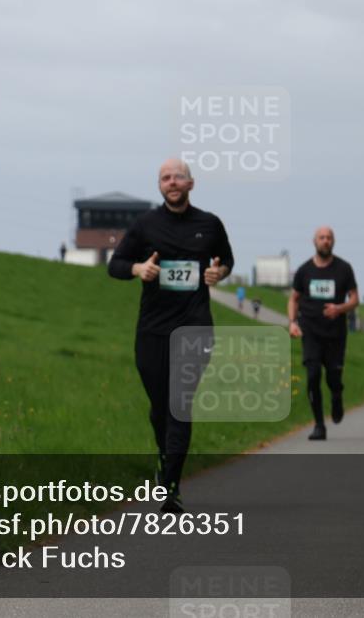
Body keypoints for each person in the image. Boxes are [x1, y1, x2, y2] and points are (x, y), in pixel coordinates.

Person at [108, 158, 234, 512]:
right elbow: (114, 266)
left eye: (179, 177)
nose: (172, 182)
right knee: (160, 408)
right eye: (166, 178)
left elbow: (227, 259)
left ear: (191, 184)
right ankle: (166, 463)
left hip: (194, 326)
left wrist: (219, 271)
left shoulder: (209, 224)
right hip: (152, 329)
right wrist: (138, 268)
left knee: (179, 404)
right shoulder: (145, 225)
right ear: (160, 186)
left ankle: (170, 488)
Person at [288, 227, 359, 441]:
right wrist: (292, 322)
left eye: (329, 238)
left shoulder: (344, 269)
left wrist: (339, 309)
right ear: (314, 241)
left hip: (335, 333)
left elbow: (354, 299)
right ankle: (319, 425)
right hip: (311, 331)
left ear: (333, 242)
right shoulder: (304, 271)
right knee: (312, 377)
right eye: (322, 238)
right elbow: (293, 298)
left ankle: (337, 396)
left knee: (333, 378)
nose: (325, 241)